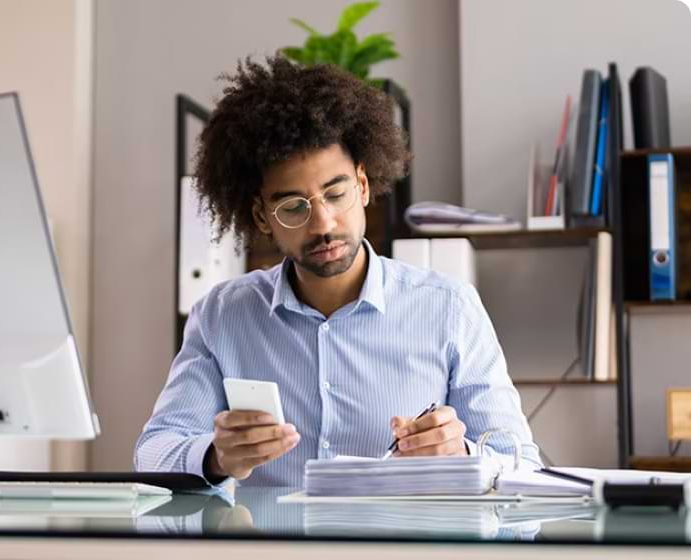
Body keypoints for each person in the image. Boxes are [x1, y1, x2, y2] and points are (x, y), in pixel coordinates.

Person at [135, 56, 542, 486]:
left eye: (336, 193)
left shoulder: (449, 308)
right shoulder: (222, 315)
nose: (323, 224)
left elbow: (523, 467)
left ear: (363, 186)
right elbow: (154, 452)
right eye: (293, 207)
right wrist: (216, 457)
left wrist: (461, 453)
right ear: (260, 216)